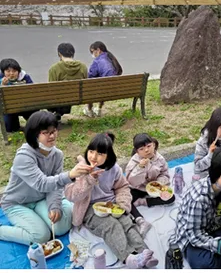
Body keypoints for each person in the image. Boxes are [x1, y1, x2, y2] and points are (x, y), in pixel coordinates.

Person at [65, 133, 157, 268]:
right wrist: (88, 180)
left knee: (127, 223)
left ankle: (144, 253)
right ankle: (128, 258)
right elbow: (71, 195)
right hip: (89, 209)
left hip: (111, 204)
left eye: (100, 153)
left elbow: (122, 187)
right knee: (112, 226)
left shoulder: (114, 169)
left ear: (108, 156)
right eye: (91, 151)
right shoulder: (82, 169)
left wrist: (122, 204)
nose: (94, 157)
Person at [0, 111, 92, 245]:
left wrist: (55, 206)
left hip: (41, 198)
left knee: (61, 227)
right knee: (41, 237)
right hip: (18, 203)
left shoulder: (57, 155)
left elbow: (55, 185)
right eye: (46, 132)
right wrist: (70, 175)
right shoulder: (24, 156)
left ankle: (46, 212)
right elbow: (42, 183)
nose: (52, 135)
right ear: (34, 134)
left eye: (54, 131)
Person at [125, 134, 174, 225]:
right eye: (142, 149)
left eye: (148, 146)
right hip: (138, 187)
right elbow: (131, 181)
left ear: (154, 145)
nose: (146, 150)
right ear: (137, 152)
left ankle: (142, 201)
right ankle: (139, 218)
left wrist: (159, 183)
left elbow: (164, 174)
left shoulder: (160, 159)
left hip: (155, 187)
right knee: (126, 200)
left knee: (171, 198)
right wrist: (140, 167)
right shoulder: (134, 161)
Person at [194, 108, 221, 180]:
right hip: (206, 176)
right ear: (214, 127)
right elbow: (197, 167)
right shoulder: (203, 141)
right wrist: (210, 155)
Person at [48, 43, 88, 122]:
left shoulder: (54, 68)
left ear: (59, 54)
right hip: (79, 96)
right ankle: (60, 112)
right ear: (73, 53)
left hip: (61, 98)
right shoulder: (83, 66)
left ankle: (56, 113)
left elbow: (51, 88)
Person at [85, 41, 123, 118]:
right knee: (103, 83)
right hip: (114, 89)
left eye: (92, 52)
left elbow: (90, 76)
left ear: (98, 50)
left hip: (103, 89)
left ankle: (89, 110)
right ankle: (99, 109)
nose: (92, 54)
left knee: (89, 85)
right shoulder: (111, 58)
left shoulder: (97, 61)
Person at [1, 58, 34, 133]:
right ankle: (16, 126)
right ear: (3, 72)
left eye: (14, 71)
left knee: (34, 120)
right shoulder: (1, 79)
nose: (11, 73)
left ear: (19, 71)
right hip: (9, 108)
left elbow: (33, 91)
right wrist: (2, 86)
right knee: (10, 129)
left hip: (26, 106)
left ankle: (33, 125)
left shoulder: (25, 77)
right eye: (8, 71)